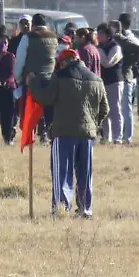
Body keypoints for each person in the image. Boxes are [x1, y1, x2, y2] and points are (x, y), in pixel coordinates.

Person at [29, 48, 109, 218]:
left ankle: (62, 209)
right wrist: (94, 125)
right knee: (85, 175)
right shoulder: (96, 79)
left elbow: (46, 97)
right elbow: (105, 109)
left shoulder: (60, 77)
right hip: (87, 135)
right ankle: (85, 209)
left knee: (62, 174)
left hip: (64, 133)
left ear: (65, 61)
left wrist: (33, 82)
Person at [17, 13, 58, 142]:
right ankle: (49, 135)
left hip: (32, 79)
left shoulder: (28, 37)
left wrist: (18, 77)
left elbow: (20, 60)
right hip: (50, 79)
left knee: (32, 111)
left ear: (33, 25)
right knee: (48, 110)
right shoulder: (54, 37)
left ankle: (32, 137)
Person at [96, 22, 125, 144]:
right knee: (104, 111)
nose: (98, 36)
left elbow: (108, 62)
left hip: (115, 82)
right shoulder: (100, 47)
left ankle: (117, 137)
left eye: (101, 34)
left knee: (115, 110)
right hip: (103, 82)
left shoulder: (116, 47)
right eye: (98, 33)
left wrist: (98, 51)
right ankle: (106, 136)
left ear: (108, 35)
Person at [117, 14, 139, 126]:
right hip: (133, 76)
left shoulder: (123, 40)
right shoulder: (136, 39)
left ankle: (126, 134)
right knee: (129, 106)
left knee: (125, 107)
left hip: (125, 75)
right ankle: (126, 133)